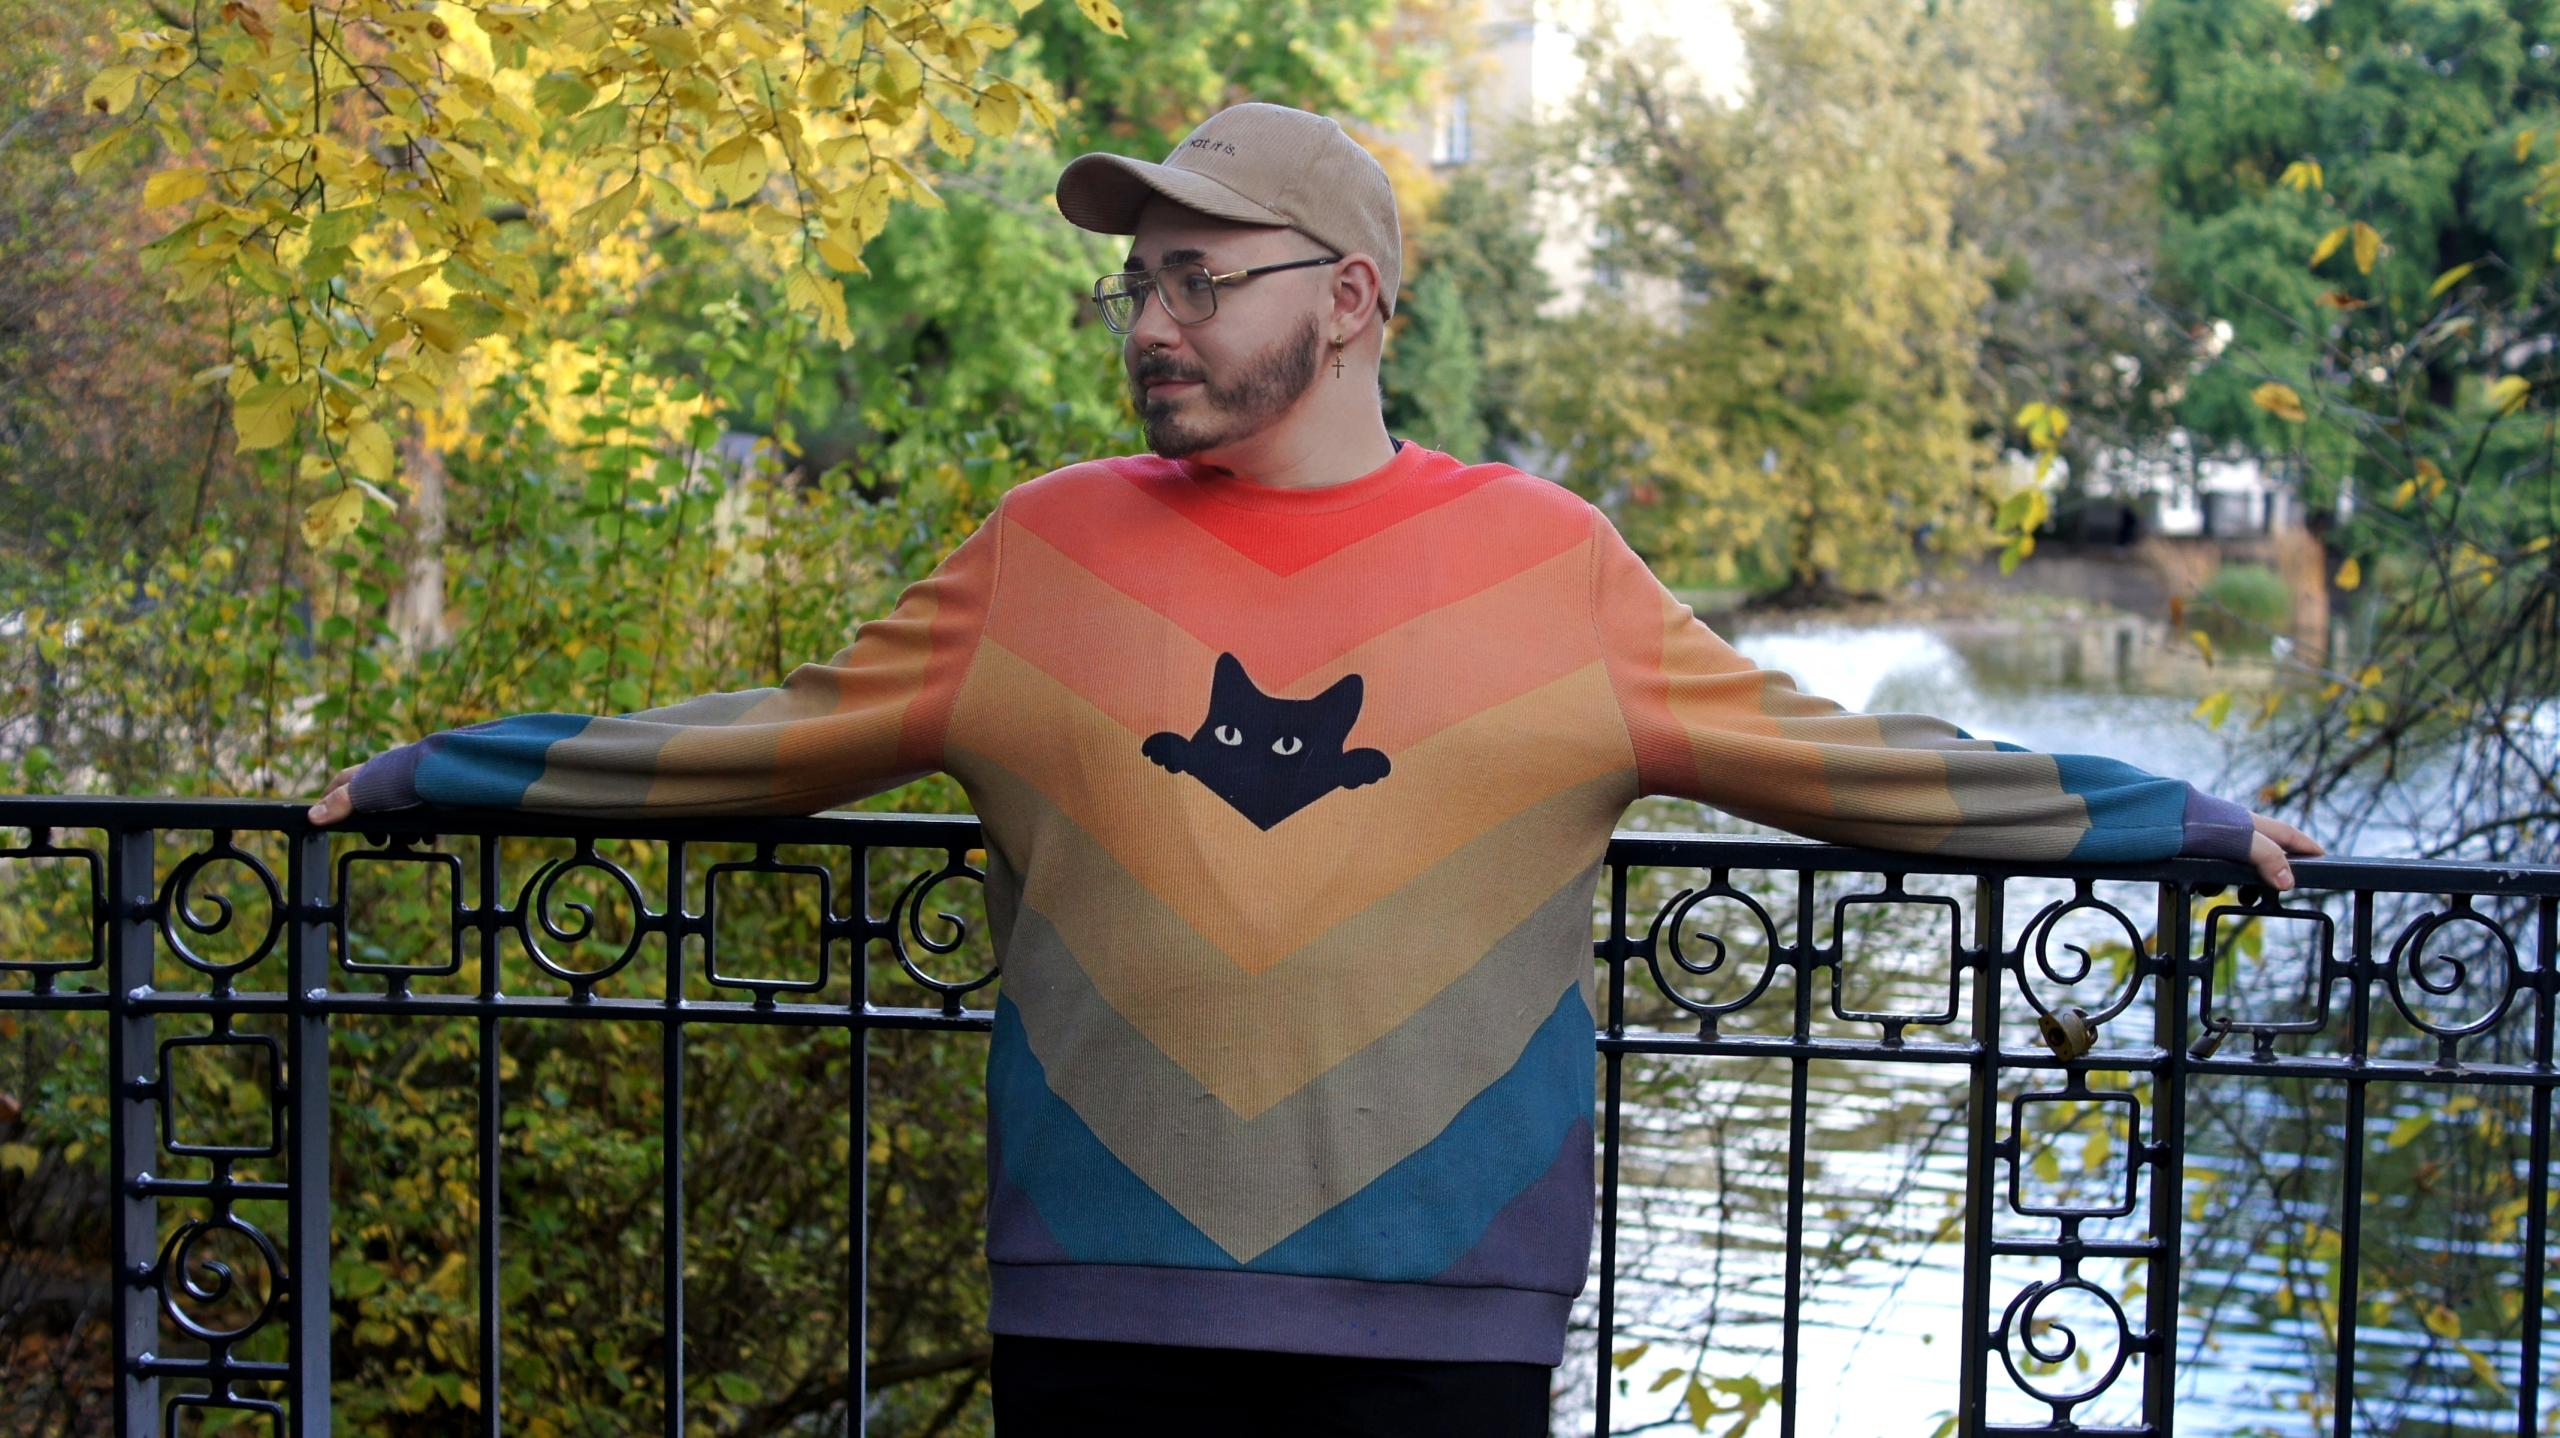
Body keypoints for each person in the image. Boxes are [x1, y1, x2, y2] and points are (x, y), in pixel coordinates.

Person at [308, 101, 2323, 1436]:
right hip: (1097, 1305)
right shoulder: (1041, 551)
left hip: (1442, 1317)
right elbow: (763, 741)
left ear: (1350, 302)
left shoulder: (1550, 565)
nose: (1151, 320)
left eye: (1202, 276)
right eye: (1139, 281)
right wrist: (440, 777)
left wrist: (2172, 820)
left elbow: (1850, 762)